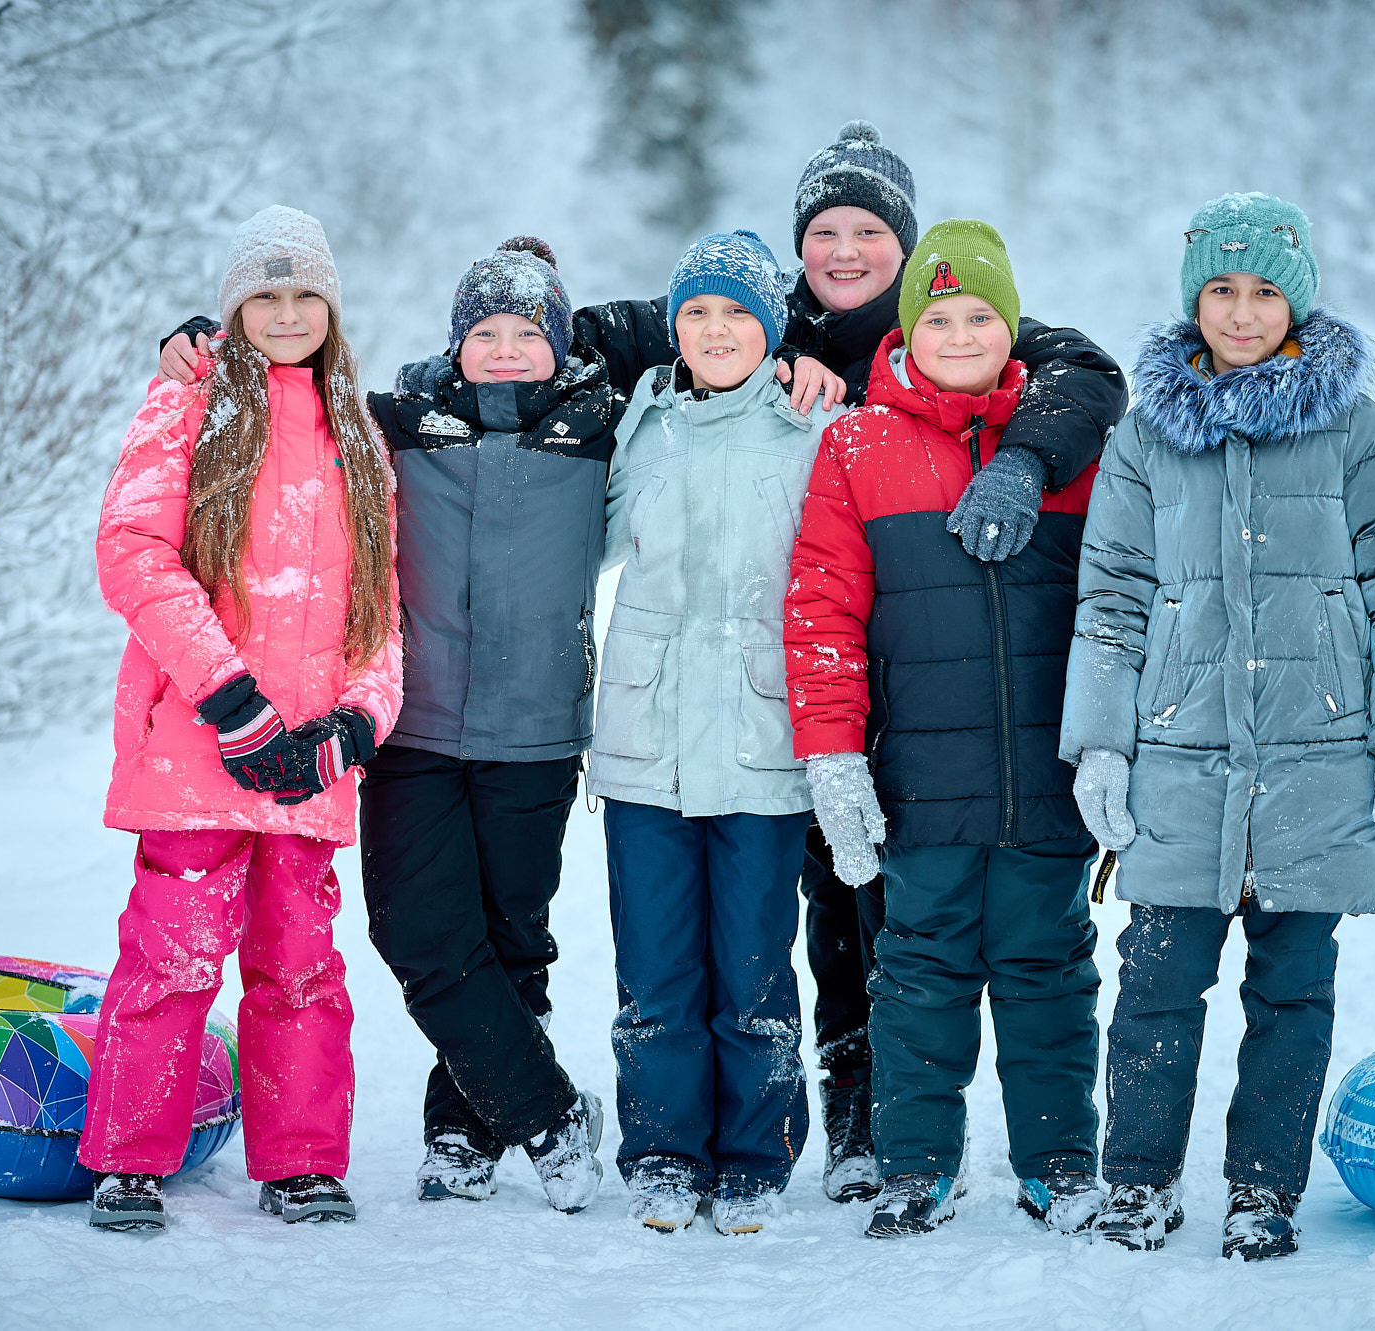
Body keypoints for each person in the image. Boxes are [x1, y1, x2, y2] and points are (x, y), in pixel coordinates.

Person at [1061, 193, 1375, 1260]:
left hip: (1316, 762)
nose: (1241, 312)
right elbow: (1111, 596)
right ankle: (1137, 1181)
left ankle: (1262, 1189)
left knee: (1294, 990)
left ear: (1298, 300)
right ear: (1194, 301)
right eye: (1221, 290)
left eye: (1265, 291)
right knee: (1154, 984)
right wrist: (1102, 741)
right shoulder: (1145, 434)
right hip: (1179, 758)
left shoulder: (1356, 430)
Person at [777, 122, 1128, 1202]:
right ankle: (913, 1165)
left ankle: (1057, 1161)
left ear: (1013, 328)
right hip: (918, 784)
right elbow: (822, 610)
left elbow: (1121, 609)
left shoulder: (1070, 453)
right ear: (906, 329)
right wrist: (833, 757)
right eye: (938, 318)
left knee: (1049, 976)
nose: (959, 334)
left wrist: (1114, 745)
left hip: (1043, 779)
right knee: (915, 978)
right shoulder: (856, 445)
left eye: (980, 316)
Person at [82, 206, 402, 1232]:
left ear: (333, 308)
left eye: (306, 293)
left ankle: (300, 1162)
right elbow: (132, 552)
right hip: (200, 746)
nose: (287, 312)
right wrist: (231, 699)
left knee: (300, 967)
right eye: (264, 294)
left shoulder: (359, 435)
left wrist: (356, 723)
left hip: (305, 766)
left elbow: (382, 611)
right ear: (232, 309)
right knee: (171, 957)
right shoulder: (187, 404)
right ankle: (130, 1160)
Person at [357, 237, 613, 1213]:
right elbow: (282, 392)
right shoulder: (396, 424)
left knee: (509, 941)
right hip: (414, 726)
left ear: (560, 343)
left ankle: (462, 1132)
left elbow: (702, 339)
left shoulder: (601, 427)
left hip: (535, 727)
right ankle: (548, 1113)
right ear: (455, 343)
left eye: (527, 333)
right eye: (486, 332)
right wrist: (198, 343)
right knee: (417, 931)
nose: (505, 350)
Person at [593, 231, 840, 1236]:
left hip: (761, 738)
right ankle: (661, 1152)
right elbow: (582, 540)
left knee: (752, 971)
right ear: (673, 328)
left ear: (773, 328)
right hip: (645, 740)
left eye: (738, 312)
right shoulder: (641, 424)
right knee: (655, 971)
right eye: (696, 311)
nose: (716, 329)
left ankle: (753, 1156)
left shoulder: (813, 426)